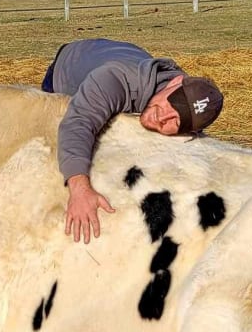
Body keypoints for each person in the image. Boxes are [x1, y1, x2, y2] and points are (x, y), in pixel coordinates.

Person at [41, 38, 223, 244]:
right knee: (54, 143)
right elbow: (79, 121)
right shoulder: (118, 79)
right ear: (174, 83)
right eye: (171, 105)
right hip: (70, 65)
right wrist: (79, 187)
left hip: (118, 54)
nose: (162, 118)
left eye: (176, 121)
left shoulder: (182, 97)